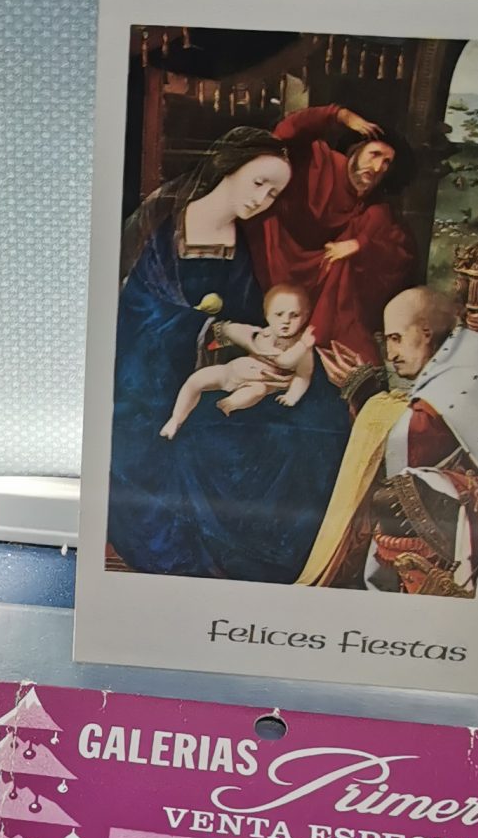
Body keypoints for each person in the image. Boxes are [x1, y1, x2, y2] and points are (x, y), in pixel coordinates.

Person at [107, 129, 352, 584]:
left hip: (215, 363)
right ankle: (228, 555)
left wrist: (259, 350)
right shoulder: (163, 225)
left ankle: (290, 558)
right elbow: (139, 318)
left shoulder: (242, 238)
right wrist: (220, 340)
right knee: (222, 441)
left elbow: (244, 312)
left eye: (274, 193)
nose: (263, 199)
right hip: (147, 380)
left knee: (320, 419)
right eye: (259, 183)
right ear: (228, 167)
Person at [298, 287, 478, 595]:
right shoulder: (467, 348)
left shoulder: (462, 369)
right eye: (387, 341)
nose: (391, 354)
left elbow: (415, 443)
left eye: (397, 338)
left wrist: (361, 390)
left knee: (398, 495)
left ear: (425, 332)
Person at [250, 102, 417, 352]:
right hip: (277, 254)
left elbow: (400, 249)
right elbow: (285, 133)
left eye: (386, 163)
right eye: (374, 155)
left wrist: (360, 245)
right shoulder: (319, 161)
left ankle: (321, 342)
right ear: (356, 150)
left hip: (321, 273)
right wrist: (338, 114)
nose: (377, 168)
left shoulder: (372, 207)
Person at [159, 285, 318, 437]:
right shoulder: (262, 333)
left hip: (256, 383)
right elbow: (230, 331)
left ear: (305, 317)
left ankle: (228, 404)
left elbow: (302, 374)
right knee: (196, 380)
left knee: (257, 391)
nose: (286, 321)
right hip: (231, 371)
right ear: (267, 315)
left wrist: (293, 395)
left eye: (294, 315)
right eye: (279, 314)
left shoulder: (302, 347)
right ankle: (176, 419)